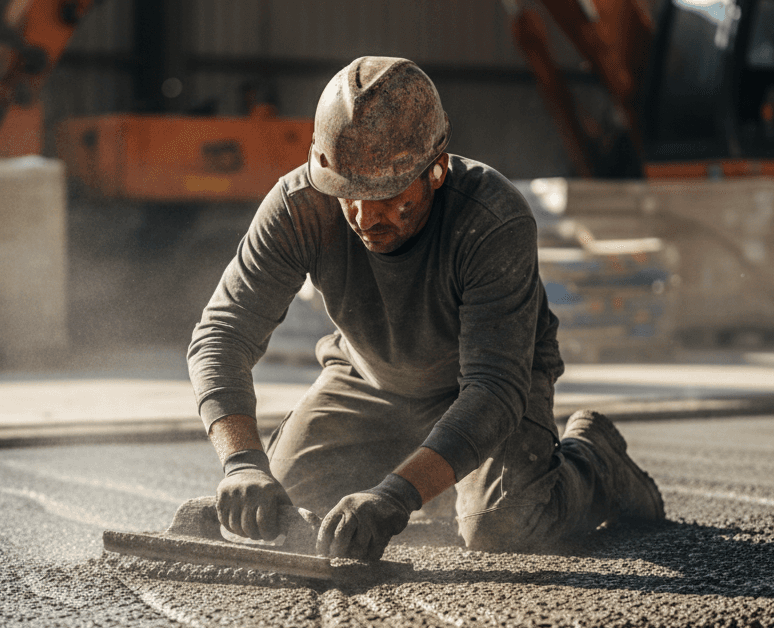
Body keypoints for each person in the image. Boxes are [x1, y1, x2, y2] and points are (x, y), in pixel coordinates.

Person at [187, 56, 664, 561]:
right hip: (369, 381)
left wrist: (395, 496)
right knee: (288, 512)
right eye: (347, 193)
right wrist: (241, 463)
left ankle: (595, 462)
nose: (364, 216)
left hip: (487, 389)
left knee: (500, 527)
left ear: (436, 170)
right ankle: (439, 476)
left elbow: (494, 391)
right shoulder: (300, 205)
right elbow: (222, 335)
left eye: (387, 195)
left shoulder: (492, 221)